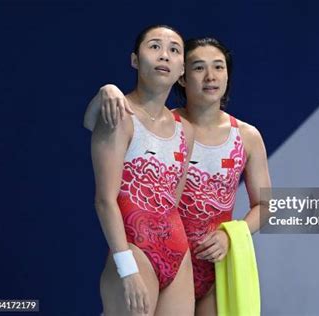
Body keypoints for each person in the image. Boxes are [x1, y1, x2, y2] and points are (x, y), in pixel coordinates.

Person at [85, 37, 271, 316]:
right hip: (153, 252)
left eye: (219, 67)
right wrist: (105, 93)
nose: (210, 77)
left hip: (211, 269)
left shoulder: (246, 137)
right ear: (183, 75)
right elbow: (95, 125)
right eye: (198, 68)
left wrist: (230, 237)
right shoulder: (165, 125)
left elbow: (267, 205)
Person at [89, 25, 195, 316]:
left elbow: (172, 200)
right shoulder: (118, 114)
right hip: (134, 250)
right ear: (135, 60)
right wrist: (127, 269)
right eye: (154, 47)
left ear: (181, 69)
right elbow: (105, 200)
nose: (164, 56)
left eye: (174, 50)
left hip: (178, 253)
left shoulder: (186, 130)